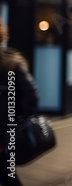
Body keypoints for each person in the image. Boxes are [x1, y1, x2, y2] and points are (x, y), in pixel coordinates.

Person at [0, 20, 39, 186]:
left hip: (4, 131)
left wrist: (15, 122)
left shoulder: (11, 64)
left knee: (7, 173)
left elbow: (31, 96)